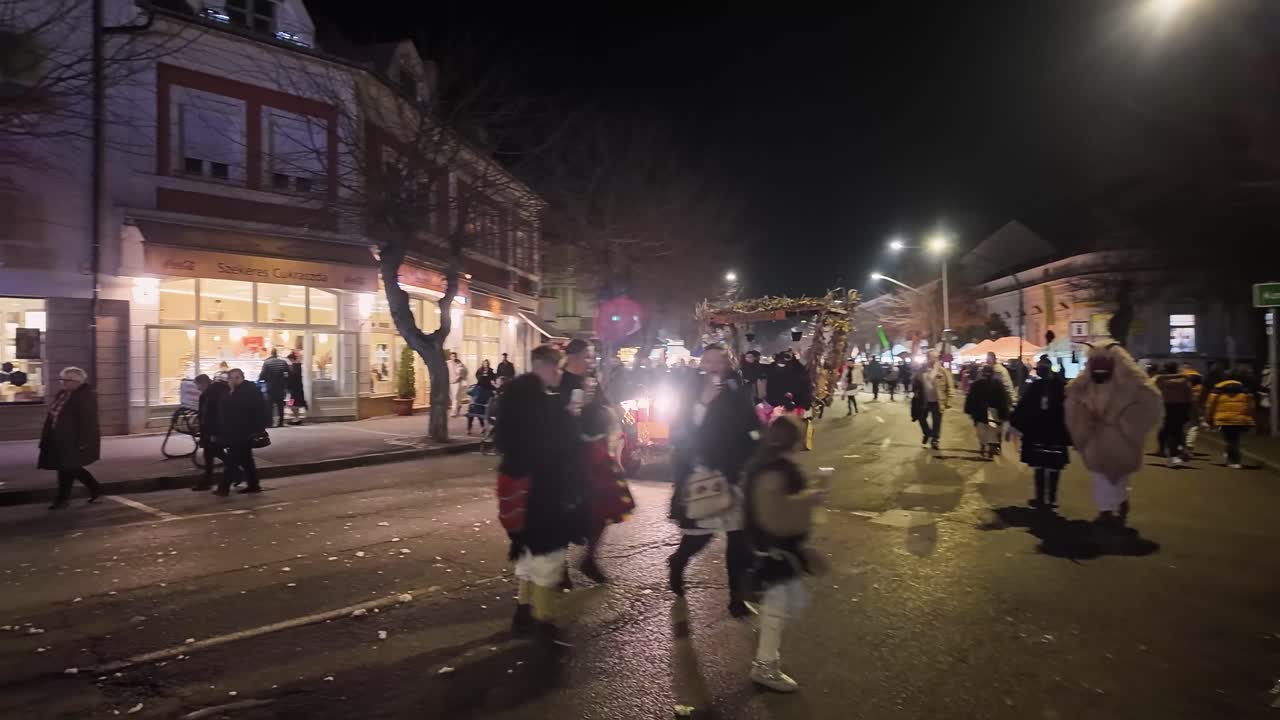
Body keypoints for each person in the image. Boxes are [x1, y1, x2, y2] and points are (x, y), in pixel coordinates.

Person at [495, 345, 584, 645]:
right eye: (557, 369)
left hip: (520, 490)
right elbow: (558, 446)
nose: (559, 375)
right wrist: (570, 418)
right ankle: (543, 623)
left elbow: (506, 441)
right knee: (548, 556)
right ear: (545, 367)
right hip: (542, 493)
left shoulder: (517, 396)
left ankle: (523, 612)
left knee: (529, 553)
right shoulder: (540, 404)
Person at [668, 343, 760, 618]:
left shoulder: (737, 389)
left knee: (738, 540)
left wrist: (760, 444)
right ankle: (677, 562)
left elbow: (750, 425)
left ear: (728, 363)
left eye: (718, 361)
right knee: (700, 538)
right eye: (707, 361)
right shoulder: (689, 388)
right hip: (702, 473)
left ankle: (737, 599)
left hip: (732, 474)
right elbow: (680, 430)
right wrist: (702, 403)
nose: (711, 367)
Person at [743, 415, 828, 692]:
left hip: (775, 549)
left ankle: (767, 657)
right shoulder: (773, 471)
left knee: (777, 608)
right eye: (801, 434)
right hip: (775, 551)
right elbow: (774, 517)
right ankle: (765, 665)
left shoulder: (769, 464)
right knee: (777, 610)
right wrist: (809, 500)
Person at [1064, 343, 1163, 529]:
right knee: (1100, 477)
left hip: (1121, 439)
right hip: (1096, 439)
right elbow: (1075, 404)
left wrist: (1124, 422)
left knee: (1118, 477)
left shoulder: (1132, 384)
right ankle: (1106, 510)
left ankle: (1119, 502)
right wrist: (1084, 422)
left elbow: (1150, 403)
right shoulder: (1085, 384)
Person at [577, 374, 635, 584]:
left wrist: (616, 460)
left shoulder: (604, 410)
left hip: (599, 464)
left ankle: (589, 557)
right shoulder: (568, 406)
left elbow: (615, 435)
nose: (590, 388)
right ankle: (563, 566)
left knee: (601, 512)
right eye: (586, 385)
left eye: (593, 385)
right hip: (575, 463)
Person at [39, 367, 103, 509]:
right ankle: (95, 489)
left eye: (67, 380)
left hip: (73, 439)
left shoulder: (86, 396)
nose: (63, 383)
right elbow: (52, 416)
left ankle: (62, 500)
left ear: (77, 381)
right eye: (62, 379)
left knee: (67, 468)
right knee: (70, 467)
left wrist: (83, 442)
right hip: (58, 437)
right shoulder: (62, 394)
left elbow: (88, 421)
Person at [1011, 359, 1071, 507]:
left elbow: (1071, 409)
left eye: (1042, 369)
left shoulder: (1060, 387)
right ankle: (1040, 498)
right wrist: (1014, 423)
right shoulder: (1037, 386)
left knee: (1053, 466)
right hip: (1039, 432)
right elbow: (1024, 406)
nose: (1040, 372)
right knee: (1040, 465)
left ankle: (1051, 498)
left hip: (1055, 432)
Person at [218, 368, 268, 496]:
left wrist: (231, 392)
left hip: (242, 431)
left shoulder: (244, 392)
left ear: (241, 377)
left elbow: (235, 408)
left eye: (235, 378)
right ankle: (253, 484)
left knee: (231, 459)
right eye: (230, 378)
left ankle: (223, 487)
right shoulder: (246, 390)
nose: (233, 380)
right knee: (246, 460)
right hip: (242, 430)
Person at [1206, 370, 1256, 469]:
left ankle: (1234, 460)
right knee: (1235, 439)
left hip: (1223, 419)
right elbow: (1251, 406)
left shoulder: (1217, 389)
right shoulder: (1245, 390)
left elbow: (1210, 405)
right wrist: (1249, 418)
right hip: (1240, 419)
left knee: (1229, 440)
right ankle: (1232, 458)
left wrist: (1208, 417)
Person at [192, 374, 230, 491]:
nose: (198, 388)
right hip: (209, 430)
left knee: (215, 452)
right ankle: (206, 481)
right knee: (210, 454)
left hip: (213, 430)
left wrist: (213, 432)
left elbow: (213, 414)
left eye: (198, 385)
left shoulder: (211, 394)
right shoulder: (209, 394)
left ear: (204, 383)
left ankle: (234, 470)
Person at [911, 351, 954, 450]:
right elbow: (914, 383)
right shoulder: (921, 371)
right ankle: (927, 433)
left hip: (938, 401)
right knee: (921, 418)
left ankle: (935, 439)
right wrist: (915, 391)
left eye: (936, 357)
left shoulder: (943, 371)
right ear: (927, 358)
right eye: (932, 357)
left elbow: (950, 387)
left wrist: (949, 401)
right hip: (924, 401)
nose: (934, 359)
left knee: (937, 421)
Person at [1154, 361, 1193, 466]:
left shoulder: (1159, 380)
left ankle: (1170, 453)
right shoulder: (1184, 380)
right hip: (1181, 407)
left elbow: (1152, 391)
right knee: (1178, 430)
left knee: (1167, 430)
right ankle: (1179, 451)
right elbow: (1189, 396)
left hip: (1166, 406)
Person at [964, 365, 1008, 458]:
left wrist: (970, 412)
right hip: (993, 412)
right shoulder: (998, 384)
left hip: (980, 413)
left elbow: (971, 399)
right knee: (992, 431)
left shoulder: (977, 384)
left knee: (982, 431)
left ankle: (983, 447)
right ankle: (990, 450)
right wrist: (1004, 414)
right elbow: (1003, 400)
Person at [258, 348, 290, 429]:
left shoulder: (267, 362)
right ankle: (280, 422)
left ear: (271, 353)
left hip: (270, 387)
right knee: (280, 406)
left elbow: (262, 375)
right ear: (277, 354)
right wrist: (285, 383)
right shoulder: (283, 362)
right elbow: (289, 373)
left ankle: (270, 423)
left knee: (269, 406)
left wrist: (262, 380)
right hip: (280, 387)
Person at [285, 352, 307, 425]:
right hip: (296, 389)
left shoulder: (294, 367)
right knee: (292, 404)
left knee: (291, 404)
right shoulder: (297, 366)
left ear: (291, 359)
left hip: (294, 390)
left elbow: (292, 378)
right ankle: (296, 418)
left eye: (289, 360)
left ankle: (297, 418)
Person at [448, 352, 468, 417]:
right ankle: (459, 407)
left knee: (455, 397)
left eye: (454, 356)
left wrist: (459, 377)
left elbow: (463, 371)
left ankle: (453, 412)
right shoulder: (448, 363)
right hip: (450, 382)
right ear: (450, 357)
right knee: (453, 397)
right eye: (452, 356)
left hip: (457, 382)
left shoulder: (459, 364)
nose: (453, 357)